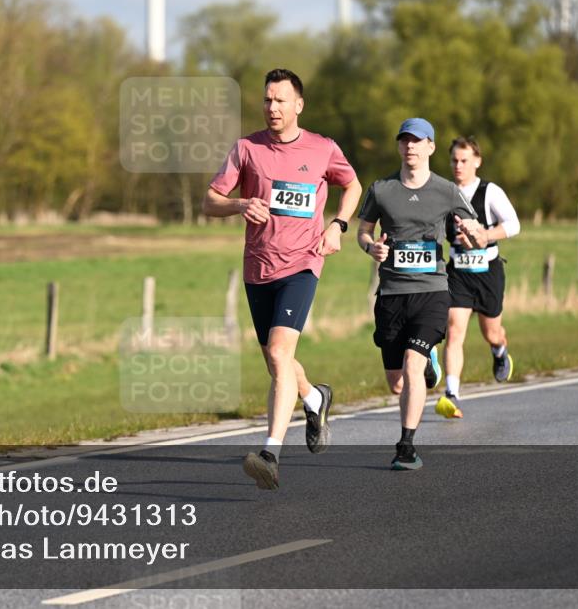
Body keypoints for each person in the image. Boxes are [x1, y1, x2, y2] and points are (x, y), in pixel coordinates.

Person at [203, 68, 363, 490]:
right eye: (267, 100)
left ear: (298, 105)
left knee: (278, 353)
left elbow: (352, 186)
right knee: (280, 365)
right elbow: (210, 200)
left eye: (280, 100)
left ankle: (271, 453)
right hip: (258, 267)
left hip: (303, 263)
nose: (272, 108)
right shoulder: (247, 148)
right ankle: (314, 398)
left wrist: (338, 225)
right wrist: (240, 205)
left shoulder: (322, 148)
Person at [356, 118, 486, 471]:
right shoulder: (381, 189)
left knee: (412, 364)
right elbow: (363, 230)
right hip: (392, 294)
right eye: (405, 141)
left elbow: (474, 231)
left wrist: (471, 232)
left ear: (430, 147)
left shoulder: (446, 190)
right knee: (397, 383)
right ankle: (427, 362)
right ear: (399, 146)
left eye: (418, 141)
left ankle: (406, 446)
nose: (410, 146)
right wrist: (371, 248)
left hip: (432, 291)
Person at [434, 137, 521, 419]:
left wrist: (485, 235)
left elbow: (513, 224)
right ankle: (451, 394)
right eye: (454, 161)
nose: (458, 166)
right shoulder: (444, 192)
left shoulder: (490, 191)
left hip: (488, 273)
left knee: (491, 332)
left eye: (464, 160)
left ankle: (499, 351)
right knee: (454, 329)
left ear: (477, 161)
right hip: (458, 272)